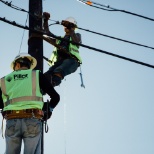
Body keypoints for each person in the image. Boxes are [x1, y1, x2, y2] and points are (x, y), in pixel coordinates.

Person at [0, 53, 60, 154]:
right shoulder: (36, 74)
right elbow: (56, 97)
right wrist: (48, 110)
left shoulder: (4, 80)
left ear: (17, 64)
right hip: (32, 119)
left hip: (12, 120)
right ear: (29, 64)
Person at [30, 12, 82, 86]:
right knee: (45, 76)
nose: (67, 27)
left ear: (73, 28)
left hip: (72, 61)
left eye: (70, 26)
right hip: (59, 62)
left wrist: (71, 29)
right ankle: (41, 90)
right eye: (66, 26)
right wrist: (46, 20)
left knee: (58, 71)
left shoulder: (76, 35)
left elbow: (76, 42)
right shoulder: (60, 39)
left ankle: (52, 84)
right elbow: (47, 33)